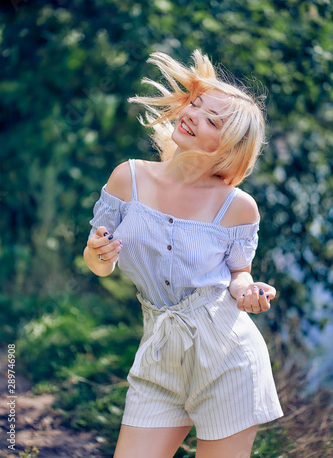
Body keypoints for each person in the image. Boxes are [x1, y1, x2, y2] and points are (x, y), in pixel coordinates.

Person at [83, 51, 283, 458]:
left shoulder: (238, 207)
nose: (193, 115)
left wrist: (248, 290)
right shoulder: (129, 179)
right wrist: (97, 253)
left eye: (212, 121)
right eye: (196, 105)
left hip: (228, 360)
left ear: (227, 146)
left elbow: (238, 274)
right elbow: (100, 265)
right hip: (159, 355)